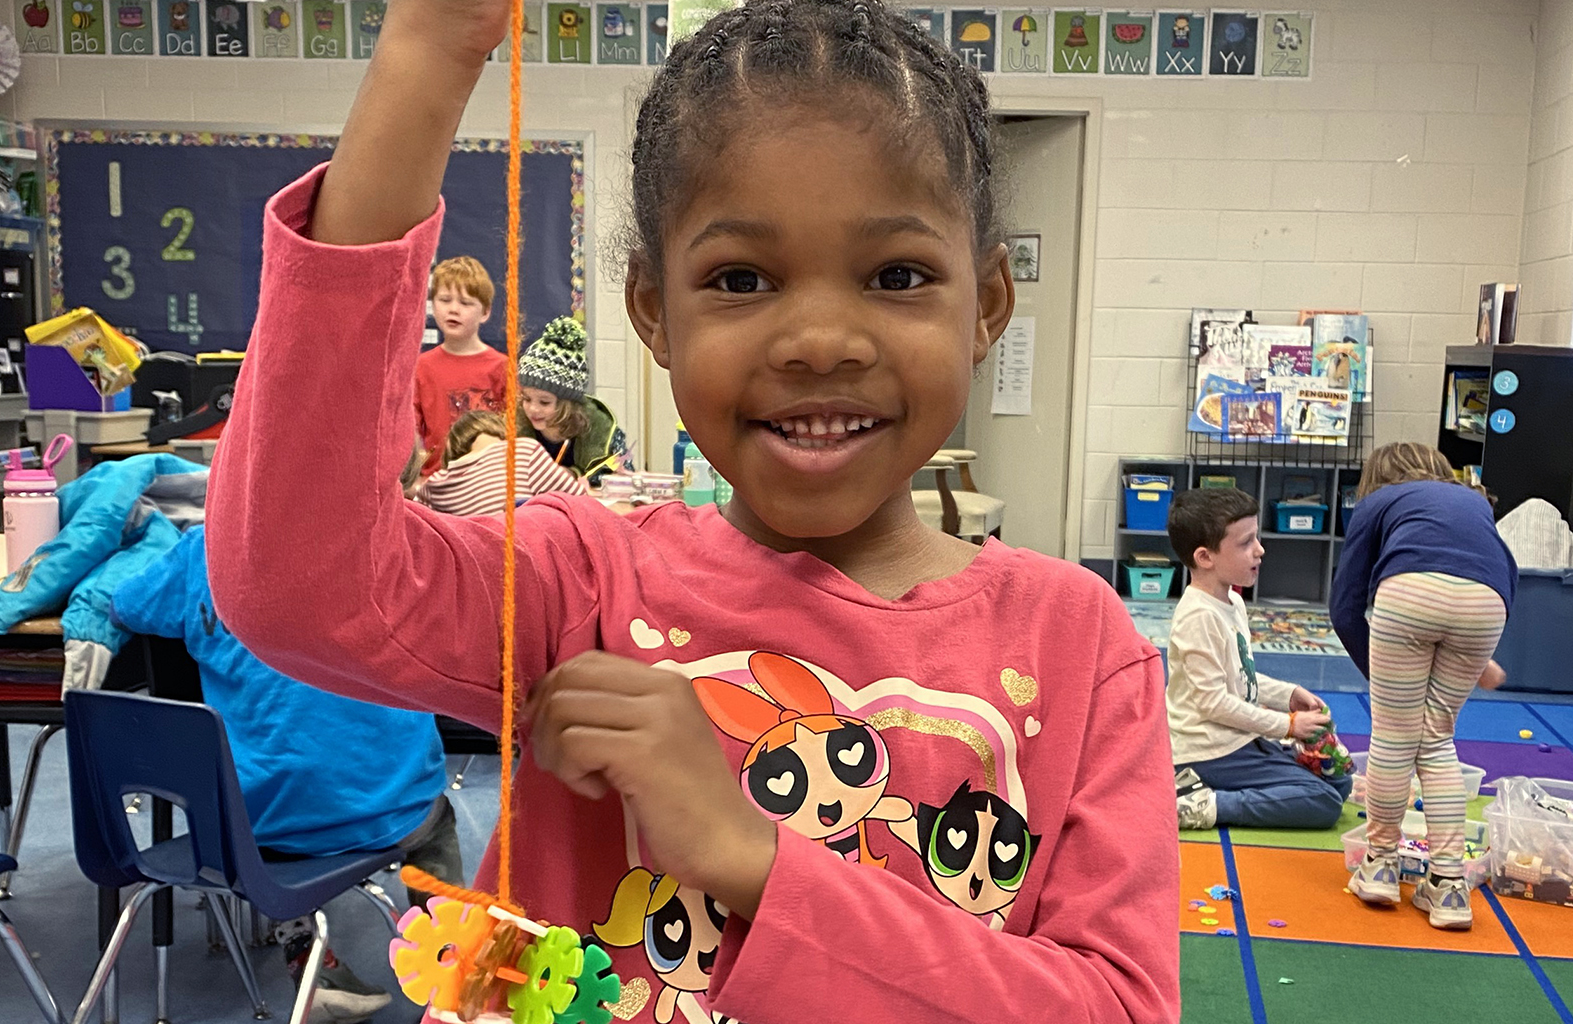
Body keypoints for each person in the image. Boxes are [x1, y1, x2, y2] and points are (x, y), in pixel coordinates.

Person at [203, 2, 1179, 1021]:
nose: (819, 340)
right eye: (741, 278)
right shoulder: (582, 582)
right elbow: (295, 578)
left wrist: (754, 857)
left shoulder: (1079, 648)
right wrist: (427, 54)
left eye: (897, 275)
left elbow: (1119, 1005)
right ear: (652, 310)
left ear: (984, 306)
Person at [112, 527, 464, 1024]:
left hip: (253, 820)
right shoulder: (395, 538)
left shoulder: (205, 549)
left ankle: (307, 959)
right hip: (388, 808)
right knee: (435, 825)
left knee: (274, 806)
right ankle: (451, 967)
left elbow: (124, 605)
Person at [1330, 442, 1515, 930]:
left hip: (1409, 595)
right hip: (1489, 604)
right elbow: (1498, 570)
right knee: (1436, 739)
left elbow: (1344, 606)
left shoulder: (1377, 503)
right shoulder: (1474, 500)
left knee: (1394, 736)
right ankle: (1450, 885)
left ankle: (1381, 865)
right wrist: (1480, 655)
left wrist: (1384, 683)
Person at [1165, 488, 1350, 831]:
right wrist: (1287, 726)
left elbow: (1238, 675)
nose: (1260, 550)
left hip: (1237, 739)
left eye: (1257, 538)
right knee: (1323, 803)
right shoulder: (1197, 616)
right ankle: (1206, 804)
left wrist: (1287, 694)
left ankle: (1220, 789)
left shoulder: (1231, 602)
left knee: (1339, 782)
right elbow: (1212, 703)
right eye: (1246, 542)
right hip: (1206, 750)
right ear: (1205, 557)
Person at [414, 255, 506, 474]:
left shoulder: (502, 368)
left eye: (465, 303)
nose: (453, 309)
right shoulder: (421, 368)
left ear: (485, 312)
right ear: (433, 304)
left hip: (490, 482)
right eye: (445, 300)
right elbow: (412, 435)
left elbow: (517, 434)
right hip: (438, 482)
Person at [516, 315, 634, 485]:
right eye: (526, 399)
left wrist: (574, 475)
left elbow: (625, 475)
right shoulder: (514, 426)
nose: (533, 409)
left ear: (568, 404)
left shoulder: (601, 429)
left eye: (544, 402)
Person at [419, 410, 590, 516]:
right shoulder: (522, 451)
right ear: (501, 432)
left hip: (470, 570)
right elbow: (585, 506)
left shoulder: (434, 484)